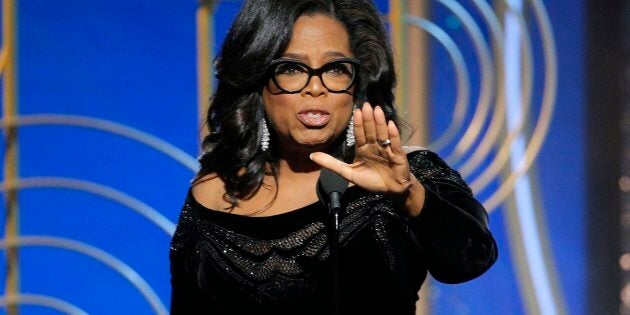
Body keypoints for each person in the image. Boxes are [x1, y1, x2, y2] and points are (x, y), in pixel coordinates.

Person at [169, 0, 497, 314]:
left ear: (358, 84)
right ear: (258, 82)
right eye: (292, 68)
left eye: (336, 69)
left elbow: (471, 259)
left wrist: (408, 193)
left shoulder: (408, 174)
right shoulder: (214, 192)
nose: (316, 88)